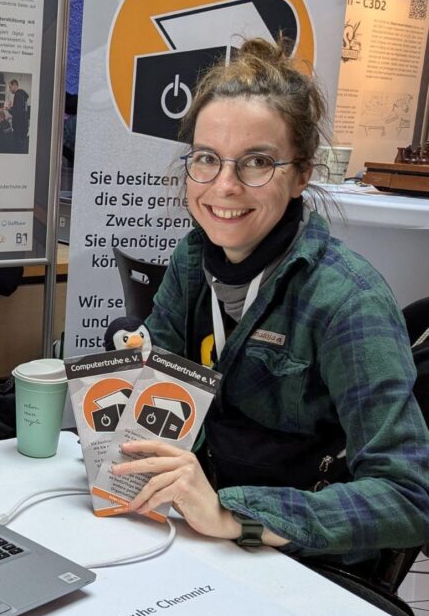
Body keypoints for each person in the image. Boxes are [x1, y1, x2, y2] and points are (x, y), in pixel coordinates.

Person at [117, 38, 429, 571]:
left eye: (257, 162)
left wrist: (236, 517)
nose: (225, 186)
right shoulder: (193, 261)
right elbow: (160, 393)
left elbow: (407, 497)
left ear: (302, 174)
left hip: (304, 562)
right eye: (207, 160)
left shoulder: (348, 302)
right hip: (200, 541)